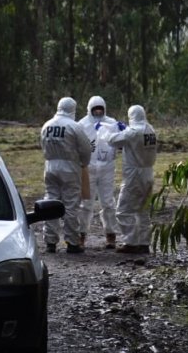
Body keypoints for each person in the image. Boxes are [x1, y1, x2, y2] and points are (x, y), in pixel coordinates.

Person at [101, 104, 157, 254]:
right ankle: (144, 243)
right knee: (142, 210)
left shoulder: (133, 132)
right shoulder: (150, 129)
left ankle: (131, 242)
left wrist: (105, 131)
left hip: (134, 175)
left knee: (123, 210)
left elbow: (113, 140)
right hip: (148, 172)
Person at [40, 97, 92, 254]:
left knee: (50, 202)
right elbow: (86, 149)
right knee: (71, 205)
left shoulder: (47, 125)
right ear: (73, 109)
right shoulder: (74, 126)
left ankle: (50, 242)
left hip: (50, 166)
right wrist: (83, 163)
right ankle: (72, 242)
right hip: (69, 167)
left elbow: (42, 145)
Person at [77, 96, 120, 249]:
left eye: (100, 109)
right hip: (88, 168)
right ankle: (81, 235)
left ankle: (110, 234)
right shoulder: (81, 125)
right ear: (90, 109)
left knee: (108, 202)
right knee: (85, 203)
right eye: (95, 109)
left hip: (107, 168)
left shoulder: (111, 123)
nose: (98, 112)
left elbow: (118, 141)